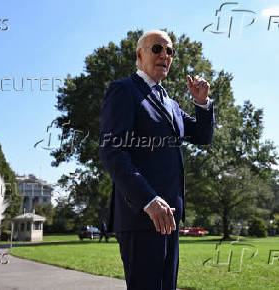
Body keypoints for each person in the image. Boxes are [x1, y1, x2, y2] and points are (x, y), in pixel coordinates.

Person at [99, 30, 214, 289]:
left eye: (170, 51)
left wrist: (202, 102)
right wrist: (148, 201)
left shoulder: (170, 103)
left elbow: (202, 135)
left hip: (169, 217)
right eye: (157, 49)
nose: (165, 55)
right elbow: (112, 152)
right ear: (140, 54)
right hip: (141, 217)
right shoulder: (123, 91)